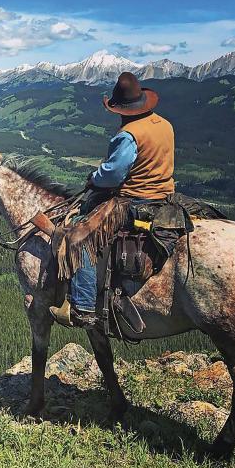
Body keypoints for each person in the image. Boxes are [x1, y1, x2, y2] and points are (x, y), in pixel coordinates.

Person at [50, 71, 175, 327]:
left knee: (80, 237)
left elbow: (113, 174)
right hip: (165, 195)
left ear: (122, 109)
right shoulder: (164, 124)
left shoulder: (128, 134)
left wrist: (94, 177)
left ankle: (82, 306)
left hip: (134, 201)